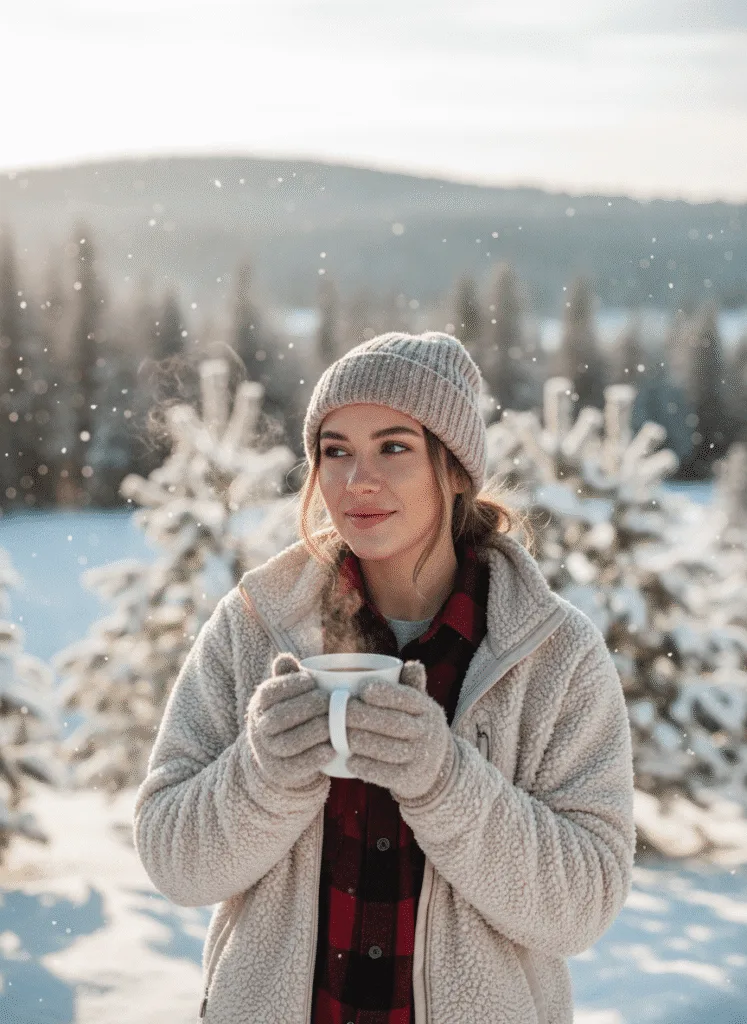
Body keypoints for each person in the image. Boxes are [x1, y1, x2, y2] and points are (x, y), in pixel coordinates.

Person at [133, 330, 636, 1024]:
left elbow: (583, 907)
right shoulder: (256, 624)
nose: (354, 480)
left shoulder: (552, 655)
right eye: (334, 451)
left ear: (455, 469)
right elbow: (171, 859)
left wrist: (444, 782)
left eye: (392, 447)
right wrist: (263, 775)